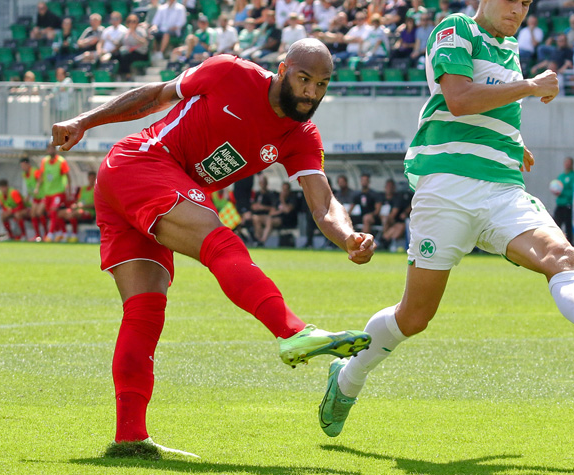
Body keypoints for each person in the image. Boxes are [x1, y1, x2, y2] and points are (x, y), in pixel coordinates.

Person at [317, 0, 574, 439]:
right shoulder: (455, 29)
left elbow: (488, 105)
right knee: (414, 316)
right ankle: (348, 376)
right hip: (446, 190)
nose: (517, 10)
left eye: (525, 3)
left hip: (502, 189)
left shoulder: (509, 49)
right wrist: (528, 87)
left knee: (562, 255)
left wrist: (513, 141)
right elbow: (459, 99)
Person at [50, 39, 374, 457]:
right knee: (221, 241)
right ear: (283, 70)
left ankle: (130, 438)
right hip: (140, 162)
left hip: (148, 187)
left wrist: (347, 236)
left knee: (145, 310)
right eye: (304, 79)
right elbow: (155, 95)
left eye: (322, 84)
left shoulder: (301, 136)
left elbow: (324, 203)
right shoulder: (230, 72)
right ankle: (293, 332)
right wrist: (84, 121)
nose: (311, 92)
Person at [36, 144, 72, 241]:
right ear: (47, 150)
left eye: (52, 148)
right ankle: (62, 232)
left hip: (59, 191)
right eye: (49, 148)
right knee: (52, 214)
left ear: (55, 150)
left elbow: (68, 176)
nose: (50, 150)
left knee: (53, 210)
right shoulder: (44, 161)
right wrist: (37, 187)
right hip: (48, 193)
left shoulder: (61, 161)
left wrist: (69, 190)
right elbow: (41, 175)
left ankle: (50, 234)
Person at [59, 170, 97, 241]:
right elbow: (78, 200)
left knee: (74, 213)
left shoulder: (97, 189)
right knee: (60, 213)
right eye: (90, 178)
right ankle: (64, 234)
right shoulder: (83, 189)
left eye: (93, 178)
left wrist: (82, 206)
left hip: (89, 212)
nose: (92, 180)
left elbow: (95, 205)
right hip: (79, 209)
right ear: (88, 178)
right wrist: (75, 205)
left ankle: (74, 235)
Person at [20, 157, 47, 240]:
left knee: (39, 212)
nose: (23, 167)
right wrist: (28, 196)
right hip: (36, 197)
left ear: (28, 164)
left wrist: (37, 188)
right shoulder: (24, 174)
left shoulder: (34, 171)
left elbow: (40, 179)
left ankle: (47, 234)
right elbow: (30, 186)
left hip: (43, 196)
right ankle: (38, 235)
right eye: (21, 166)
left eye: (24, 165)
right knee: (32, 214)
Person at [250, 173, 279, 245]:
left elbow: (273, 207)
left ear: (266, 183)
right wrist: (255, 207)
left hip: (267, 215)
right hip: (258, 215)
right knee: (256, 220)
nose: (262, 184)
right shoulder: (256, 194)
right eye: (261, 183)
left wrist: (263, 207)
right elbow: (252, 205)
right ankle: (257, 240)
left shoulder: (270, 194)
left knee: (269, 221)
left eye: (264, 183)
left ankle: (262, 240)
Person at [552, 157, 574, 244]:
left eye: (568, 163)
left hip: (568, 204)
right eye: (566, 162)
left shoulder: (573, 176)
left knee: (568, 226)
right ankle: (555, 243)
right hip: (560, 204)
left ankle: (570, 244)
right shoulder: (561, 176)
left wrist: (563, 192)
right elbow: (556, 187)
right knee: (556, 224)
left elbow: (573, 191)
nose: (567, 164)